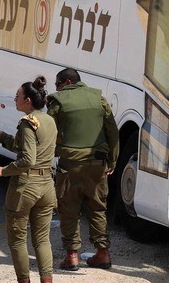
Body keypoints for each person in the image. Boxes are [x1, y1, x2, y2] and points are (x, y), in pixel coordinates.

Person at [0, 76, 67, 283]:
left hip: (25, 188)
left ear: (27, 100)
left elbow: (27, 158)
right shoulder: (48, 120)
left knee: (18, 240)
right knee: (42, 240)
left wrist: (2, 171)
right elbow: (32, 149)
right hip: (46, 186)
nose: (15, 100)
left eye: (17, 97)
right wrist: (2, 136)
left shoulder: (27, 122)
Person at [47, 68, 119, 271]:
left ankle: (72, 256)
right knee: (97, 208)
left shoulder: (58, 101)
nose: (56, 88)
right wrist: (112, 161)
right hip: (97, 164)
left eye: (57, 84)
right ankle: (103, 253)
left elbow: (47, 129)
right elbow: (112, 132)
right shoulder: (100, 99)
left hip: (70, 165)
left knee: (69, 209)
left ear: (67, 83)